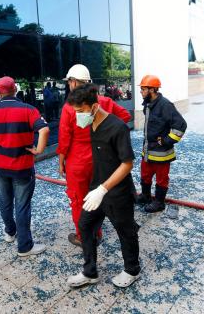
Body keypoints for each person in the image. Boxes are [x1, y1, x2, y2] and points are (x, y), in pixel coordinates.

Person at [65, 84, 140, 288]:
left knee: (126, 231)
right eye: (75, 112)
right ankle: (90, 272)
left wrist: (103, 188)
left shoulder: (117, 127)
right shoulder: (91, 124)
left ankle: (132, 270)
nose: (78, 116)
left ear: (95, 107)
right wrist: (96, 188)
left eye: (80, 112)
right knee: (85, 225)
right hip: (97, 189)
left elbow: (127, 164)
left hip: (117, 193)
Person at [0, 76, 50, 257]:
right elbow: (44, 130)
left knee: (5, 202)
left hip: (1, 166)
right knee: (22, 205)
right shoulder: (29, 109)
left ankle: (10, 232)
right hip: (22, 167)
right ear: (15, 90)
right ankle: (25, 246)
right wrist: (39, 150)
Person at [57, 64, 131, 247]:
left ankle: (85, 237)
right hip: (101, 158)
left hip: (78, 161)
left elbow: (64, 139)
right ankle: (96, 232)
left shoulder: (70, 107)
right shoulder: (104, 102)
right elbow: (125, 117)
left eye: (69, 82)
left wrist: (61, 162)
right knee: (95, 195)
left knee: (78, 199)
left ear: (73, 82)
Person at [134, 74, 187, 213]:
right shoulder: (148, 104)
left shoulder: (165, 106)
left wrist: (167, 141)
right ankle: (146, 196)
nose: (141, 92)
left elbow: (181, 125)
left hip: (161, 154)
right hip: (147, 152)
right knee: (145, 176)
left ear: (152, 90)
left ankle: (159, 202)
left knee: (161, 179)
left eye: (143, 89)